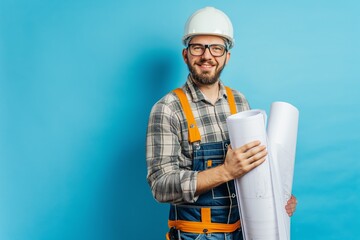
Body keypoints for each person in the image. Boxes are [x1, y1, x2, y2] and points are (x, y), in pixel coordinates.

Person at [146, 6, 297, 240]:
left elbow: (255, 167)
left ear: (227, 56)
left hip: (245, 232)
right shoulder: (168, 108)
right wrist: (226, 171)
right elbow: (160, 185)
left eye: (216, 48)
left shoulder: (239, 101)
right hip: (196, 235)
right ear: (186, 54)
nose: (207, 56)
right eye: (198, 47)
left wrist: (279, 198)